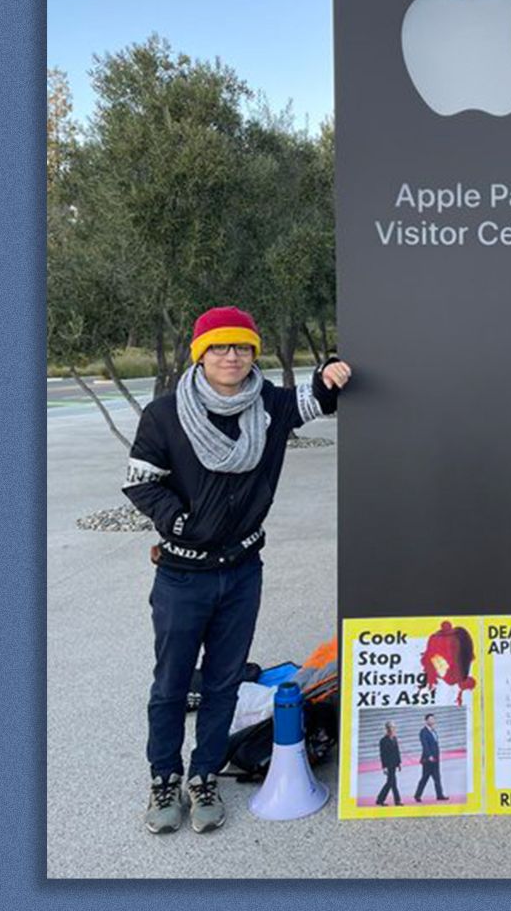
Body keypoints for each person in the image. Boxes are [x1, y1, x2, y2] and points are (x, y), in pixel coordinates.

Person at [123, 305, 353, 836]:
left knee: (225, 682)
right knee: (171, 684)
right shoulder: (164, 414)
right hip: (182, 575)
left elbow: (318, 397)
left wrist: (331, 373)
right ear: (201, 354)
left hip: (242, 570)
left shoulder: (269, 404)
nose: (233, 357)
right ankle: (164, 778)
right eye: (221, 348)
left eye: (243, 347)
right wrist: (176, 522)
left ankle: (204, 776)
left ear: (255, 353)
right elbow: (140, 481)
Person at [414, 714, 447, 802]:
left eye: (433, 719)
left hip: (436, 759)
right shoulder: (423, 732)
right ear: (426, 721)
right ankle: (417, 795)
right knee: (425, 777)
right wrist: (429, 756)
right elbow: (425, 745)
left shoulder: (434, 731)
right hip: (428, 760)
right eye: (430, 719)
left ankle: (439, 795)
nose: (432, 721)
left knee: (437, 777)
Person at [376, 722, 403, 806]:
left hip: (394, 764)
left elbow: (397, 752)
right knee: (390, 783)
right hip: (388, 765)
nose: (394, 729)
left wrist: (399, 763)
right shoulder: (383, 740)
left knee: (392, 783)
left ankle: (382, 800)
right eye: (392, 727)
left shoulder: (394, 738)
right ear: (388, 729)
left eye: (394, 727)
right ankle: (382, 800)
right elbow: (382, 754)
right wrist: (384, 767)